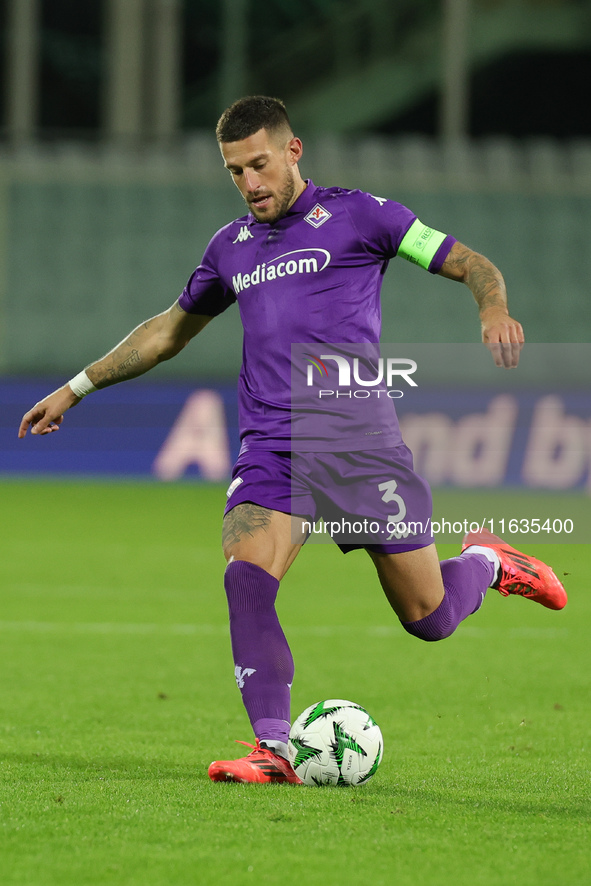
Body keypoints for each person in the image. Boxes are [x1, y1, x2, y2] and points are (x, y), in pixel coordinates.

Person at [19, 96, 567, 785]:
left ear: (292, 151)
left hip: (355, 441)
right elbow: (164, 331)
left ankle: (486, 561)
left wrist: (493, 307)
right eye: (234, 171)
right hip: (271, 446)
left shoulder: (362, 215)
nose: (250, 183)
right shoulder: (230, 249)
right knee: (245, 577)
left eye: (258, 164)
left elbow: (469, 262)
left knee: (427, 618)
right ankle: (274, 745)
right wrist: (76, 387)